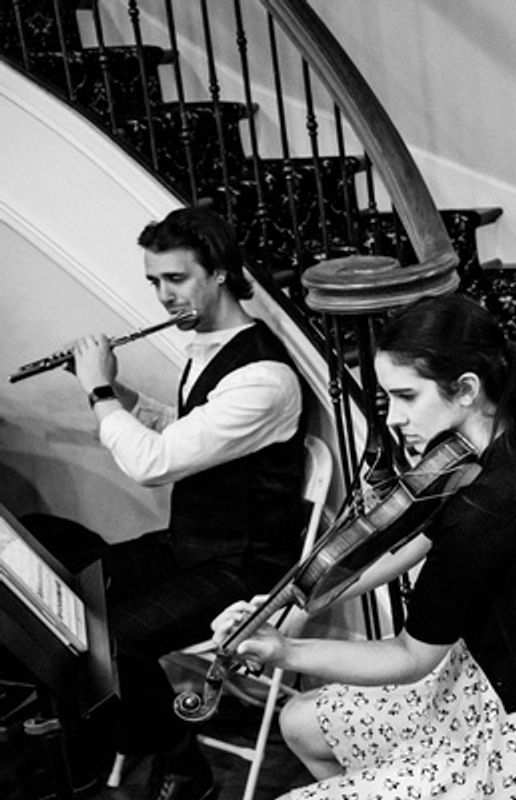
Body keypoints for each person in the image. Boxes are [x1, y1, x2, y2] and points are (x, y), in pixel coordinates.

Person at [211, 292, 516, 800]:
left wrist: (286, 649)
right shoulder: (497, 444)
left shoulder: (490, 509)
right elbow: (415, 535)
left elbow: (409, 657)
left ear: (466, 389)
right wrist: (301, 600)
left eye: (406, 396)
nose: (393, 418)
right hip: (498, 674)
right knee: (299, 720)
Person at [20, 205, 308, 800]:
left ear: (220, 272)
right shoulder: (209, 345)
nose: (162, 295)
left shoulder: (264, 377)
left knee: (115, 643)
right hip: (192, 546)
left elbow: (155, 463)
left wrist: (99, 391)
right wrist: (117, 391)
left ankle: (182, 758)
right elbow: (187, 431)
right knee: (68, 595)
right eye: (154, 281)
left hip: (246, 565)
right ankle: (92, 733)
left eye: (175, 279)